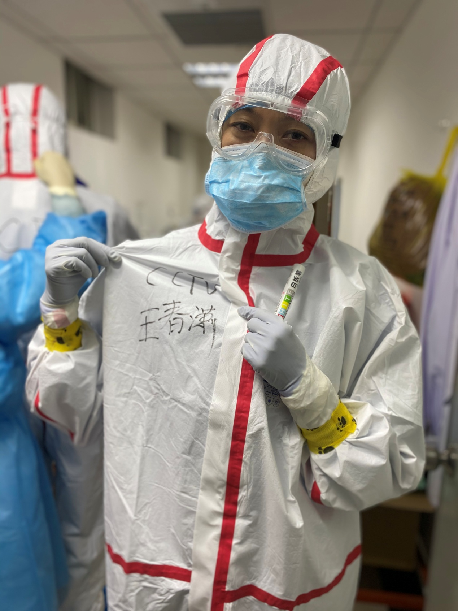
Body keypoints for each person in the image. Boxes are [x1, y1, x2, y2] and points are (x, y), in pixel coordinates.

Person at [26, 35, 425, 611]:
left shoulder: (360, 292)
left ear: (326, 155)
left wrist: (312, 397)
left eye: (294, 134)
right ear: (219, 132)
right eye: (244, 125)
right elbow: (69, 414)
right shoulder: (142, 268)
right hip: (155, 584)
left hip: (282, 590)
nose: (263, 149)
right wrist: (62, 317)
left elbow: (392, 466)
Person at [0, 83, 138, 611]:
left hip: (64, 387)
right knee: (78, 515)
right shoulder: (99, 208)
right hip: (74, 384)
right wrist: (63, 200)